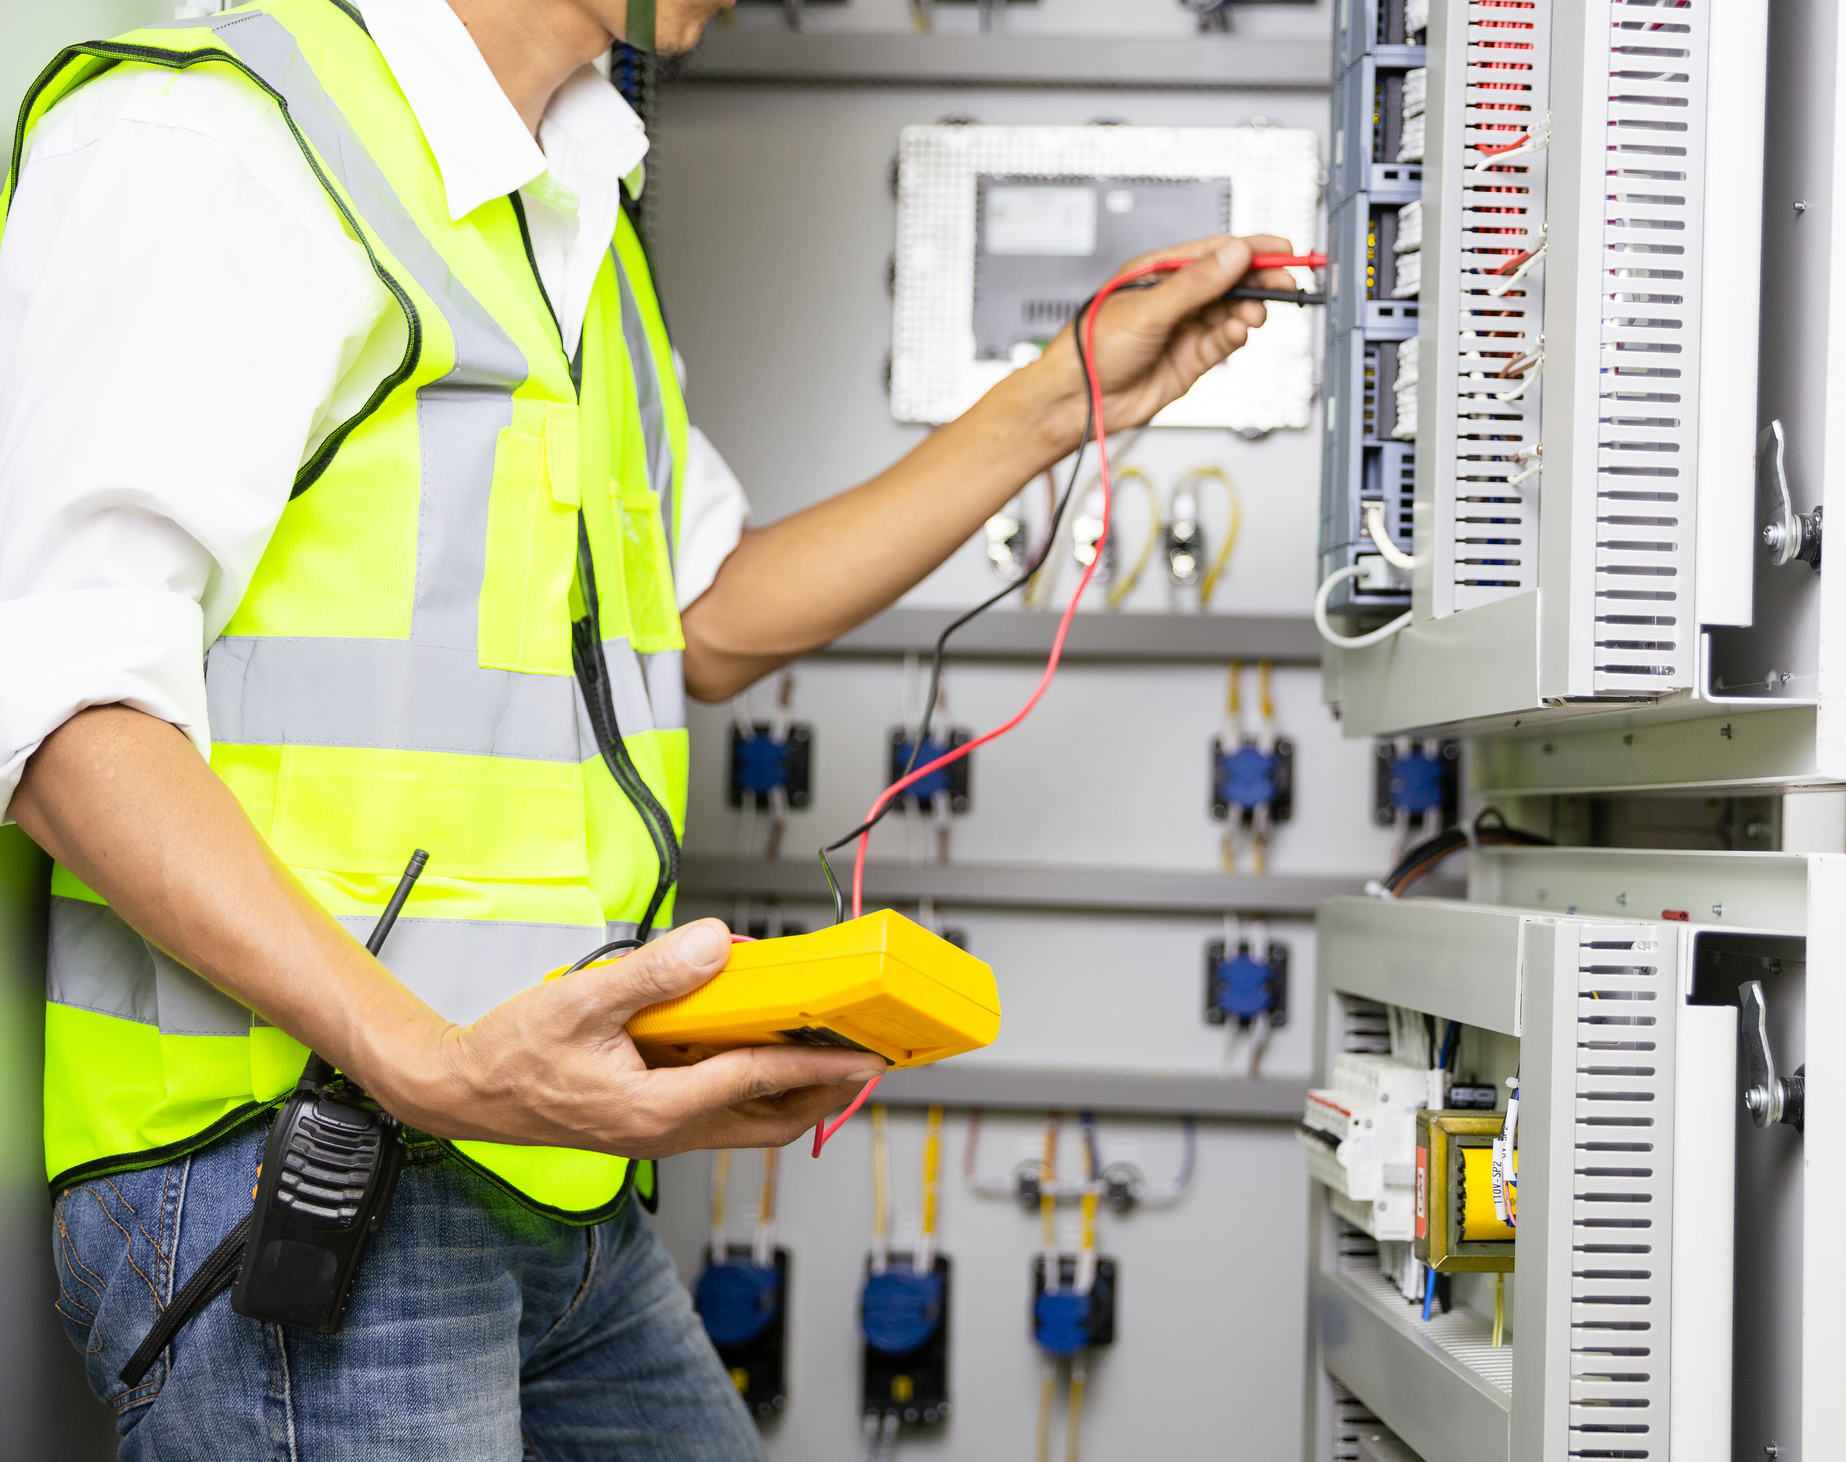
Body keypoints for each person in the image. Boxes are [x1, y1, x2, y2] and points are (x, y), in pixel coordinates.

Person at [0, 0, 1294, 1455]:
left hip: (540, 1161)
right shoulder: (218, 136)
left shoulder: (570, 212)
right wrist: (425, 1059)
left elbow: (713, 610)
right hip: (300, 1159)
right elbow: (64, 710)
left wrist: (1066, 399)